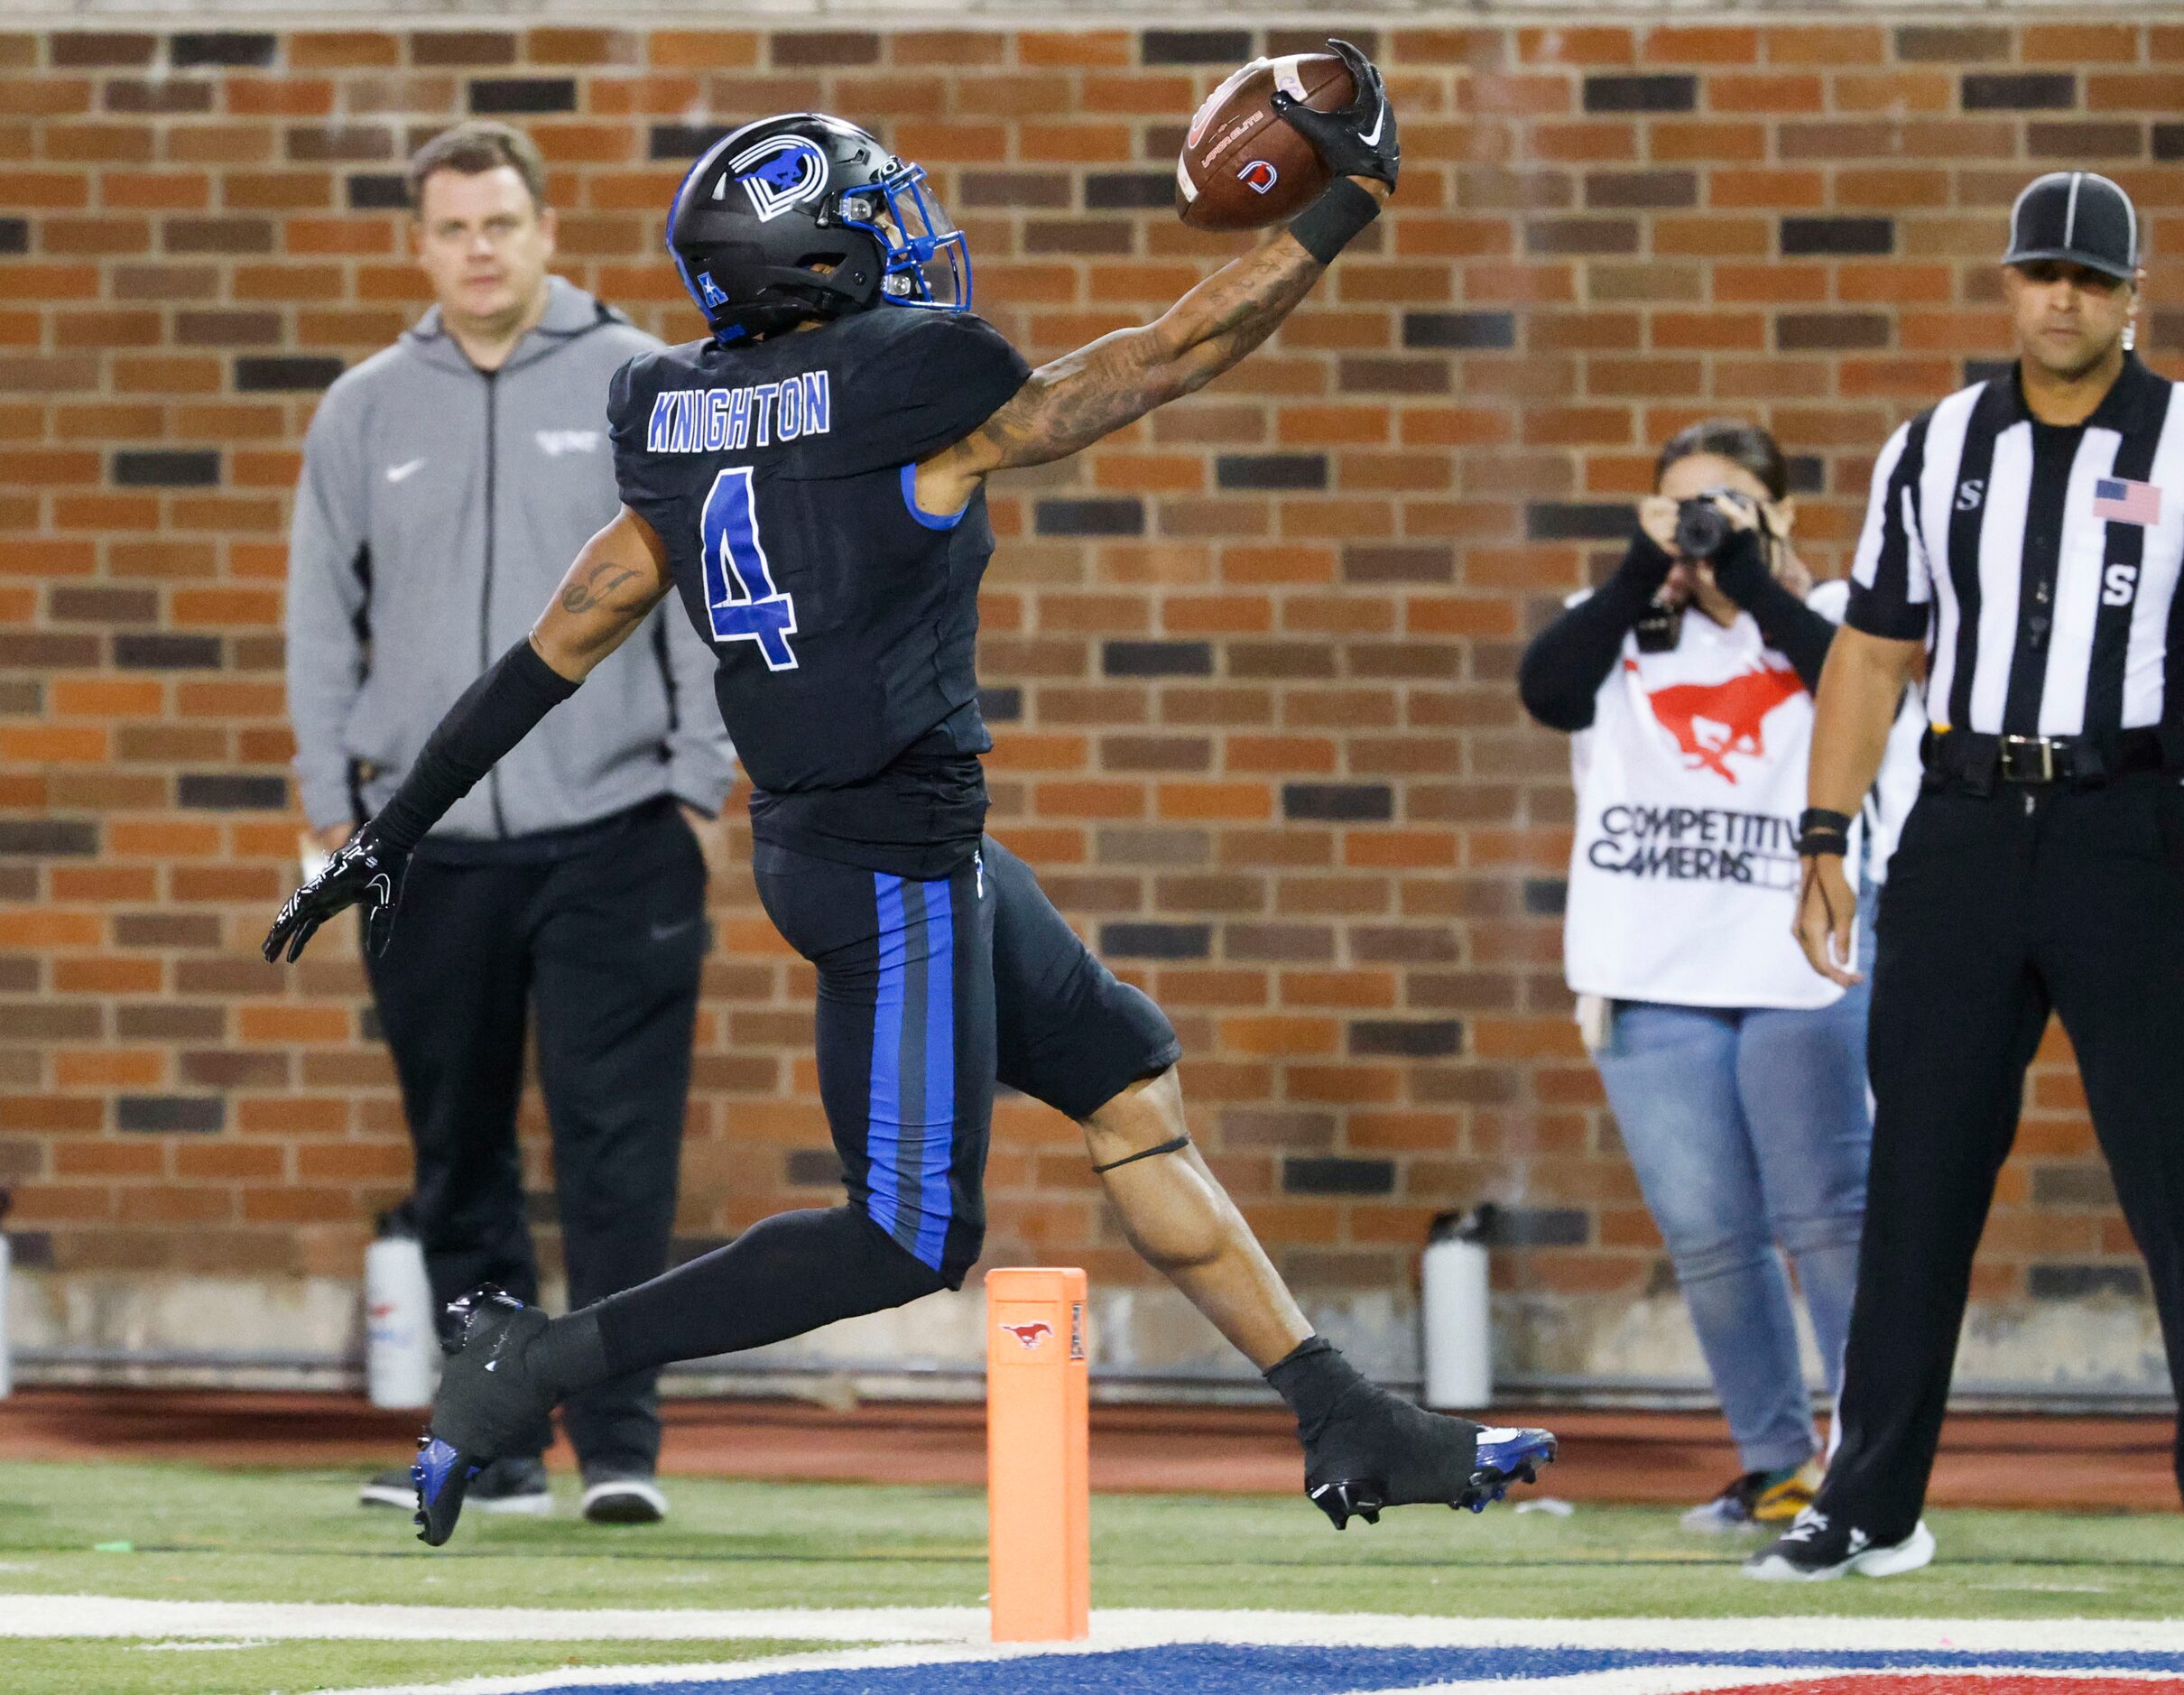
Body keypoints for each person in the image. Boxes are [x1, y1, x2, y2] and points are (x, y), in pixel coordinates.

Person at [264, 50, 1554, 1550]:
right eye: (871, 209)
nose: (905, 227)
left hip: (872, 841)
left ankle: (1342, 1411)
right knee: (906, 1232)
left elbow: (567, 629)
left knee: (1131, 1090)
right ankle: (535, 1362)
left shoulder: (671, 410)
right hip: (889, 863)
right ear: (814, 252)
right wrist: (1342, 207)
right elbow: (1161, 357)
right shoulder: (906, 388)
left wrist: (390, 823)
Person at [1752, 171, 2184, 1589]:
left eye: (2092, 276)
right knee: (1918, 1178)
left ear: (2134, 295)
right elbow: (1875, 654)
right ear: (2008, 286)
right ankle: (1867, 1504)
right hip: (1955, 829)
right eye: (2041, 273)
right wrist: (1825, 834)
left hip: (2129, 828)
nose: (2063, 297)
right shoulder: (1934, 444)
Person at [285, 120, 732, 1525]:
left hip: (616, 831)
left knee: (619, 1154)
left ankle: (620, 1450)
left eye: (500, 223)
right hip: (424, 852)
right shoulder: (364, 408)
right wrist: (329, 808)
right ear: (423, 248)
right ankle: (494, 1447)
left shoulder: (639, 384)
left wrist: (698, 783)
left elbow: (711, 590)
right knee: (457, 1156)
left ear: (545, 231)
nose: (478, 248)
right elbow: (318, 621)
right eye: (452, 229)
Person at [1519, 420, 1921, 1535]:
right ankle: (1776, 1465)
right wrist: (1643, 568)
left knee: (1831, 1218)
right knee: (1706, 1232)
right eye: (1681, 504)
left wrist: (1746, 575)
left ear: (1780, 513)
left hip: (1802, 957)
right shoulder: (1613, 627)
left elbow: (1860, 692)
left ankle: (1869, 1465)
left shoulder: (1841, 616)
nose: (1702, 524)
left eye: (1729, 502)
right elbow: (1545, 692)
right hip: (1652, 967)